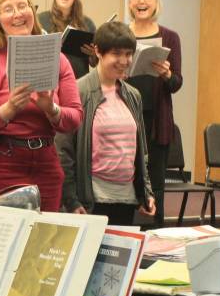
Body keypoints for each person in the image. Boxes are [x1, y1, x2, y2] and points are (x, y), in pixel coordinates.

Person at [0, 0, 82, 213]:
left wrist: (51, 109)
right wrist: (8, 110)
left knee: (42, 242)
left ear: (32, 13)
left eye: (22, 6)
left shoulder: (58, 59)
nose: (17, 14)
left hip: (46, 165)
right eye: (8, 9)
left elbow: (74, 118)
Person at [57, 21, 155, 225]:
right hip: (91, 201)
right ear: (98, 52)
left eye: (128, 54)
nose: (124, 60)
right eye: (116, 54)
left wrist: (146, 193)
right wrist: (71, 200)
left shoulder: (133, 95)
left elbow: (141, 152)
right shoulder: (78, 91)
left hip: (126, 198)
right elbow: (63, 151)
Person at [126, 0, 182, 227]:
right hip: (125, 120)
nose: (142, 1)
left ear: (156, 2)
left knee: (154, 184)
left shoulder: (170, 37)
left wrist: (167, 74)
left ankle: (154, 235)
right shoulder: (121, 34)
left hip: (156, 121)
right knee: (126, 181)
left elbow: (177, 83)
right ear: (130, 2)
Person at [37, 0, 97, 79]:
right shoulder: (40, 19)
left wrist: (94, 54)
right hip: (49, 80)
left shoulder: (87, 23)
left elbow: (94, 63)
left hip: (78, 81)